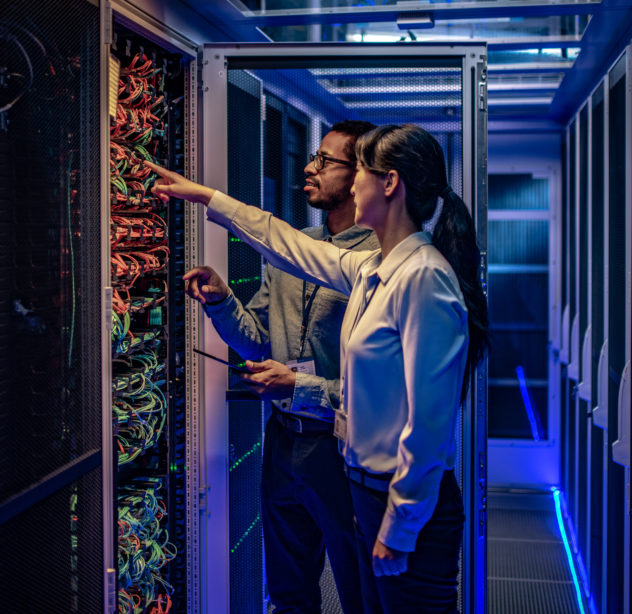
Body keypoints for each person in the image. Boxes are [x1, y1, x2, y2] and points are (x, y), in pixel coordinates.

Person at [146, 123, 489, 614]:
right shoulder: (374, 270)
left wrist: (400, 527)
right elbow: (284, 242)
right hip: (367, 490)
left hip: (402, 503)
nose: (351, 186)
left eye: (360, 173)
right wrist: (205, 197)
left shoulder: (424, 279)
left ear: (389, 183)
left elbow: (431, 424)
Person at [182, 121, 380, 614]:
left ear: (360, 176)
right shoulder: (290, 253)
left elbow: (382, 392)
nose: (309, 169)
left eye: (326, 160)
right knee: (288, 594)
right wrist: (222, 300)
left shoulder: (380, 262)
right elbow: (257, 343)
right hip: (284, 442)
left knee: (360, 591)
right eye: (313, 157)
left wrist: (300, 384)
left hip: (342, 448)